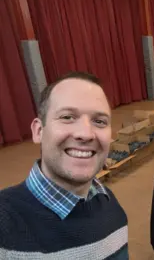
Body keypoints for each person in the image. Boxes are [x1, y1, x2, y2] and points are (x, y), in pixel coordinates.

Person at [0, 72, 128, 258]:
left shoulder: (110, 203)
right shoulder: (4, 226)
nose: (86, 134)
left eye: (99, 121)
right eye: (67, 117)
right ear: (38, 131)